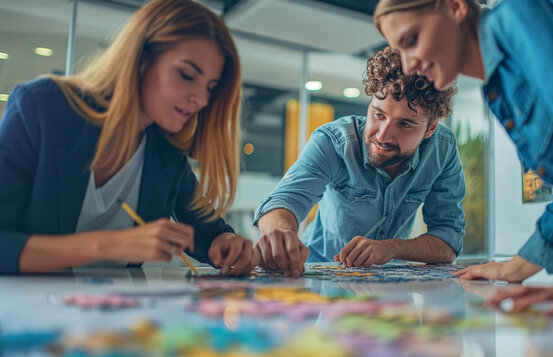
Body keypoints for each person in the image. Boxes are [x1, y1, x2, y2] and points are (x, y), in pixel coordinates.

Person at [374, 0, 553, 313]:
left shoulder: (518, 14)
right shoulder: (500, 89)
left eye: (412, 40)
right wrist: (515, 268)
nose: (408, 66)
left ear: (455, 7)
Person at [0, 0, 257, 275]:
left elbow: (206, 231)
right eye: (186, 74)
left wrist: (227, 242)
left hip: (118, 313)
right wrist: (110, 245)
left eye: (210, 87)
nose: (201, 99)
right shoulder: (43, 108)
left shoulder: (166, 149)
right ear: (141, 59)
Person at [253, 46, 465, 277]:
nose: (382, 136)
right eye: (378, 115)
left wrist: (392, 248)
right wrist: (281, 236)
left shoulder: (442, 149)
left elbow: (448, 240)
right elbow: (282, 202)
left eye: (405, 124)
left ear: (430, 129)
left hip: (392, 282)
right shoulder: (333, 142)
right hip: (322, 275)